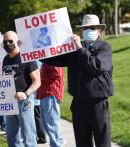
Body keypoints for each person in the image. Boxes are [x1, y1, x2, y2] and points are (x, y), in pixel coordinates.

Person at [41, 14, 114, 147]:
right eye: (85, 28)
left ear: (99, 30)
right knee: (82, 142)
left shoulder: (104, 48)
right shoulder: (73, 50)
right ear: (81, 31)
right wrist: (33, 51)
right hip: (79, 104)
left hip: (97, 104)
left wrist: (80, 48)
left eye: (92, 28)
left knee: (102, 143)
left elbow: (95, 67)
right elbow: (54, 59)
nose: (88, 30)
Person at [2, 31, 40, 147]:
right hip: (10, 102)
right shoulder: (5, 59)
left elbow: (37, 81)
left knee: (28, 136)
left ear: (17, 42)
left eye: (10, 41)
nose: (8, 44)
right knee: (11, 138)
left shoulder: (26, 57)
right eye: (5, 42)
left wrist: (26, 93)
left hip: (24, 101)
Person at [36, 63, 64, 147]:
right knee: (46, 123)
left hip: (51, 93)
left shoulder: (53, 59)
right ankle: (59, 141)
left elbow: (56, 74)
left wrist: (38, 77)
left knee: (51, 123)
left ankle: (56, 144)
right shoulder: (46, 60)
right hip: (44, 94)